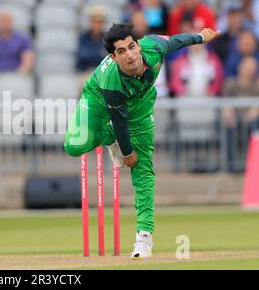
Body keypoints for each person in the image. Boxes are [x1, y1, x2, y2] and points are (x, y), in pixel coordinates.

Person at [63, 23, 220, 258]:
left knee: (143, 167)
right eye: (121, 51)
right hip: (98, 94)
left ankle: (144, 237)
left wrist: (199, 37)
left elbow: (175, 42)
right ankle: (111, 140)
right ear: (113, 57)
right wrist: (127, 152)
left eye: (131, 47)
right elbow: (119, 119)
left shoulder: (153, 47)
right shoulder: (111, 81)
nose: (130, 55)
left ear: (138, 45)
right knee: (74, 146)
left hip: (141, 102)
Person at [222, 56, 259, 172]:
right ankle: (231, 165)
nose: (249, 70)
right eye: (247, 67)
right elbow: (225, 102)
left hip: (251, 120)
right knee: (229, 128)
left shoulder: (256, 85)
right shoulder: (231, 82)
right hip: (234, 118)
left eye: (252, 68)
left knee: (254, 127)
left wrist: (254, 111)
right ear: (240, 68)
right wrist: (229, 113)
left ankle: (253, 165)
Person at [0, 10, 34, 85]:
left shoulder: (22, 39)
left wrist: (19, 76)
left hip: (17, 76)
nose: (5, 25)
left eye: (7, 21)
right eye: (2, 21)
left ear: (12, 22)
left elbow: (28, 60)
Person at [76, 6, 107, 87]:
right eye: (95, 21)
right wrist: (99, 55)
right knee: (85, 85)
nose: (97, 25)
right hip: (85, 72)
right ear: (90, 22)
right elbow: (81, 57)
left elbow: (108, 60)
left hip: (102, 73)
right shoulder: (83, 38)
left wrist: (90, 55)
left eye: (100, 22)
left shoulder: (107, 39)